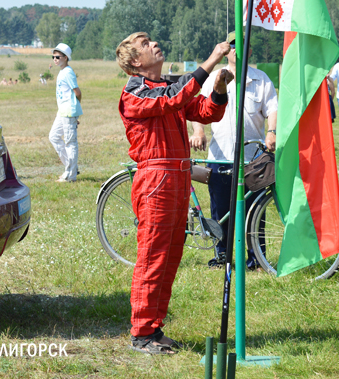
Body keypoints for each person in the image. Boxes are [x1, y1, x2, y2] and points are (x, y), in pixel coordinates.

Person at [116, 32, 232, 355]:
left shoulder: (167, 88)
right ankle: (141, 332)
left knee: (170, 258)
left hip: (177, 179)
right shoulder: (134, 91)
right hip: (155, 181)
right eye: (144, 44)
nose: (153, 44)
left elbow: (207, 112)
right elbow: (175, 97)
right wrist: (212, 60)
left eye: (151, 40)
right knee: (153, 257)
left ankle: (154, 328)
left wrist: (220, 88)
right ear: (136, 62)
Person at [189, 32, 277, 269]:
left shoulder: (261, 80)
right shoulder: (214, 79)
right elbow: (197, 107)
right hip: (221, 158)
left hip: (253, 160)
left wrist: (272, 131)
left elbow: (273, 109)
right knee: (221, 211)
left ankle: (256, 258)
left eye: (244, 45)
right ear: (227, 49)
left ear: (250, 50)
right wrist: (198, 132)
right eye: (234, 44)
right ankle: (222, 257)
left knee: (255, 211)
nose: (239, 49)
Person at [48, 43, 82, 183]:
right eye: (54, 57)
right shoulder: (62, 71)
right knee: (54, 136)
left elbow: (77, 92)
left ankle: (70, 175)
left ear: (66, 58)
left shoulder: (68, 72)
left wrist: (75, 113)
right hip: (62, 111)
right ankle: (71, 167)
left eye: (58, 57)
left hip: (68, 111)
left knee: (70, 143)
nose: (55, 59)